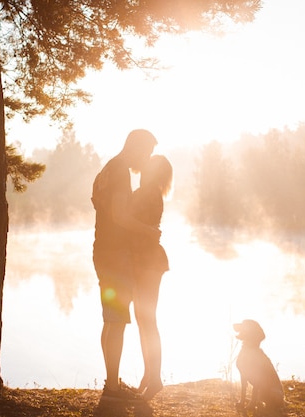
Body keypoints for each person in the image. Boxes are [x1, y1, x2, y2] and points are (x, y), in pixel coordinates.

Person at [91, 129, 161, 401]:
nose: (147, 160)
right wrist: (147, 231)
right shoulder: (119, 171)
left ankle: (112, 383)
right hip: (115, 254)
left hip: (103, 251)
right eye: (148, 154)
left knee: (111, 320)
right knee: (117, 321)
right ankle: (112, 389)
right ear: (137, 148)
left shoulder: (106, 171)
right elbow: (119, 215)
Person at [131, 155, 173, 401]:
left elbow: (132, 222)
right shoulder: (148, 192)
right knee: (142, 320)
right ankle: (149, 374)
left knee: (148, 320)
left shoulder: (149, 193)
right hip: (143, 261)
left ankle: (155, 378)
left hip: (148, 262)